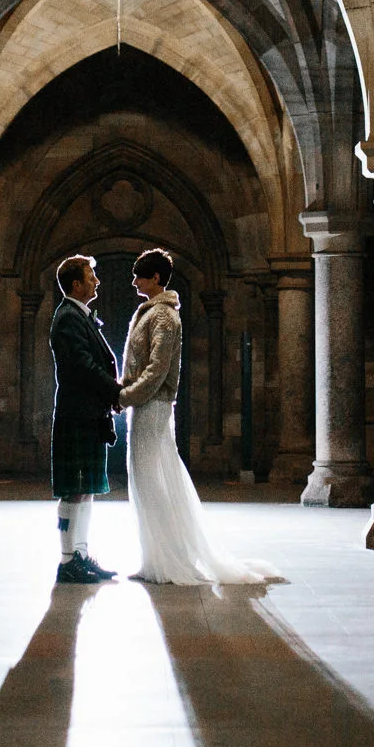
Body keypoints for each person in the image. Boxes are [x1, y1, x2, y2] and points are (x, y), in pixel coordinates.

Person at [116, 247, 281, 585]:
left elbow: (158, 368)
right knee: (149, 479)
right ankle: (155, 559)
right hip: (144, 406)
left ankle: (166, 561)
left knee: (151, 480)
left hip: (152, 406)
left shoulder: (164, 316)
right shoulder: (153, 312)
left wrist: (125, 396)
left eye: (140, 276)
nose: (134, 282)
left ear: (156, 278)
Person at [49, 253, 122, 584]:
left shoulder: (79, 316)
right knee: (74, 488)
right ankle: (67, 560)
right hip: (77, 413)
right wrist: (116, 392)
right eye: (91, 277)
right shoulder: (67, 318)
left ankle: (81, 552)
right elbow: (82, 366)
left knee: (87, 487)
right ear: (76, 284)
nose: (97, 282)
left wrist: (111, 395)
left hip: (89, 413)